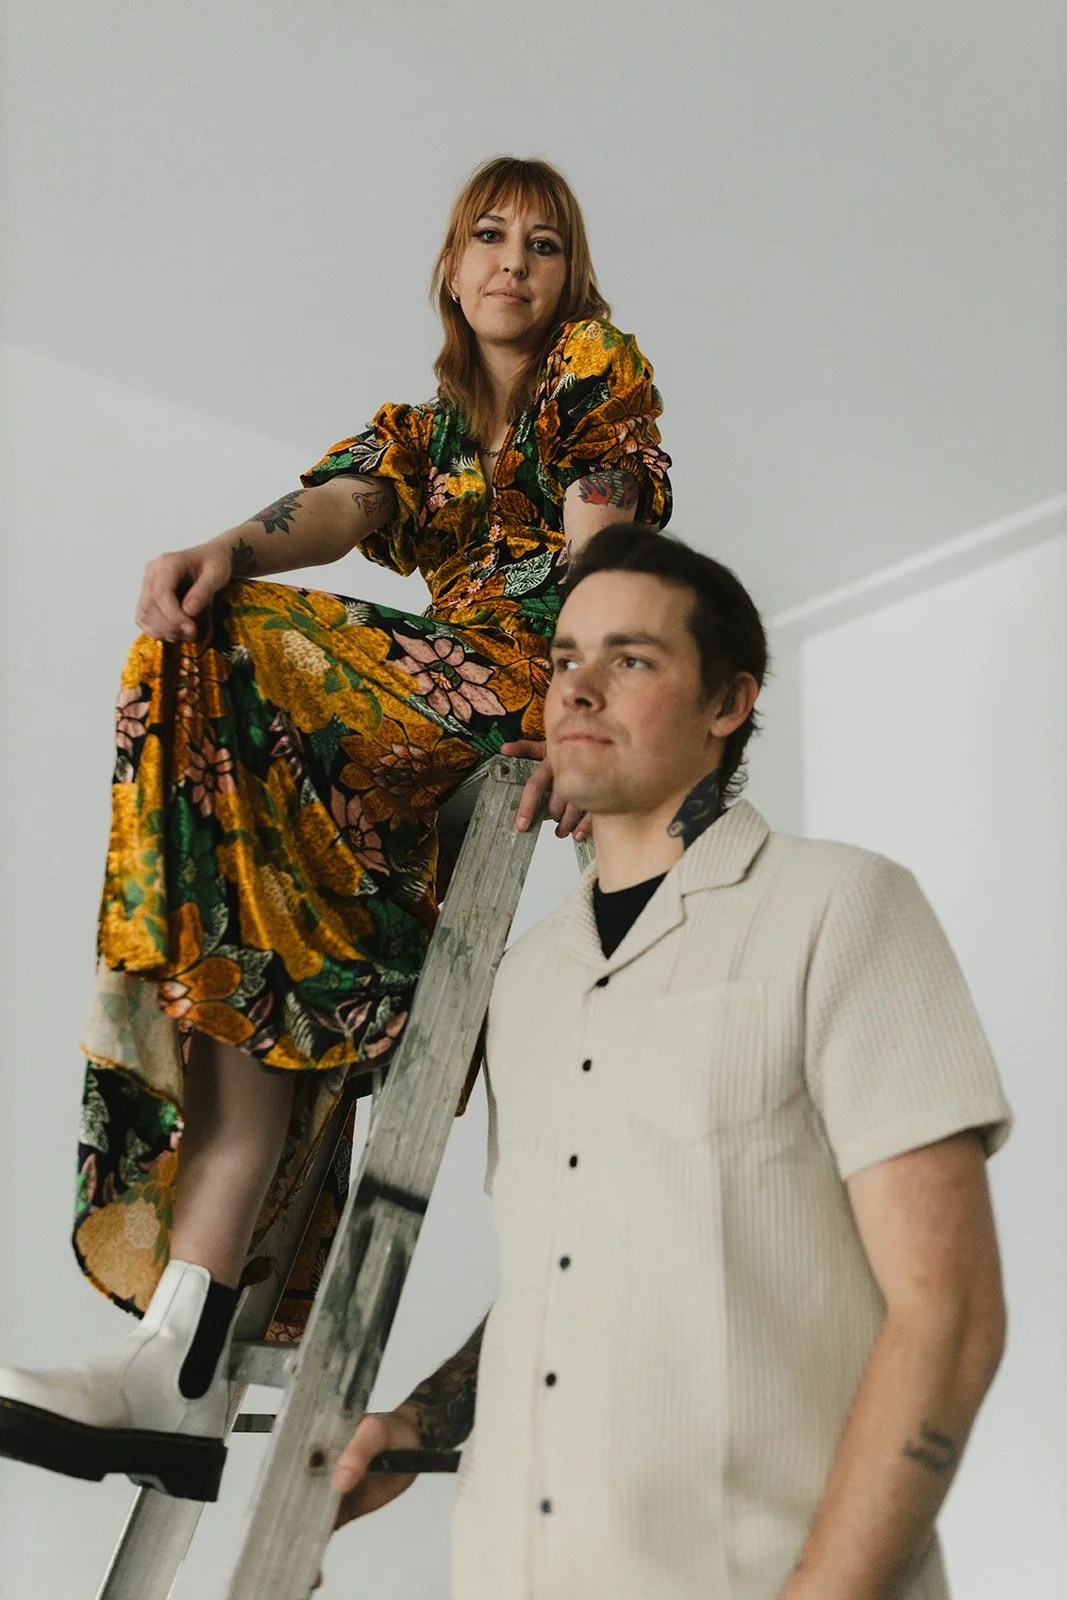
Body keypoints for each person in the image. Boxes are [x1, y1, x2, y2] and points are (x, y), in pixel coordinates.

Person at [0, 160, 671, 1502]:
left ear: (568, 276)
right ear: (446, 264)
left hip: (508, 693)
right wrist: (225, 544)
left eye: (544, 243)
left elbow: (603, 544)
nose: (512, 262)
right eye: (486, 235)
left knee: (221, 640)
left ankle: (172, 1367)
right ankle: (171, 1369)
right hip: (401, 750)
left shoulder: (589, 366)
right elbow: (347, 504)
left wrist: (578, 698)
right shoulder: (421, 432)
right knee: (243, 947)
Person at [331, 522, 1012, 1600]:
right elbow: (566, 1266)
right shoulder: (522, 982)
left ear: (726, 703)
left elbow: (951, 1312)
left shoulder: (839, 908)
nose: (577, 689)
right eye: (562, 660)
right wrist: (416, 1422)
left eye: (630, 659)